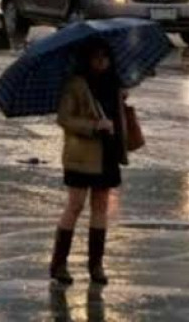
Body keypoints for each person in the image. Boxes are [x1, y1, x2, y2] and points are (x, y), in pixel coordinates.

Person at [50, 40, 129, 286]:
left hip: (107, 153)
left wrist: (121, 103)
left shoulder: (115, 83)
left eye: (105, 58)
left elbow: (118, 116)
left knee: (100, 206)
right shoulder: (76, 84)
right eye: (96, 58)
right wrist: (94, 126)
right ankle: (59, 263)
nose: (101, 62)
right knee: (75, 205)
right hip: (82, 154)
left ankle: (96, 265)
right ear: (87, 59)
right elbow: (64, 118)